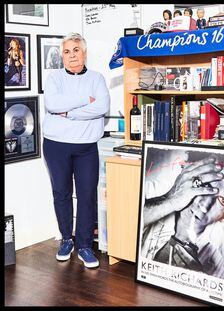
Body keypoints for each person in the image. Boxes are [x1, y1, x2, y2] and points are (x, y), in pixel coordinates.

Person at [42, 32, 110, 269]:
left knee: (87, 195)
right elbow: (52, 104)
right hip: (56, 145)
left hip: (87, 148)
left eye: (76, 50)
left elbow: (101, 107)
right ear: (62, 55)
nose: (72, 55)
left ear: (84, 52)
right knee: (61, 193)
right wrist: (85, 100)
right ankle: (65, 240)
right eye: (67, 51)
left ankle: (83, 246)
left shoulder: (97, 78)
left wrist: (69, 112)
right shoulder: (54, 78)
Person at [140, 151, 224, 278]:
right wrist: (170, 199)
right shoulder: (150, 191)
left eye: (222, 200)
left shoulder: (223, 257)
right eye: (203, 185)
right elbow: (124, 224)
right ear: (186, 173)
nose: (205, 207)